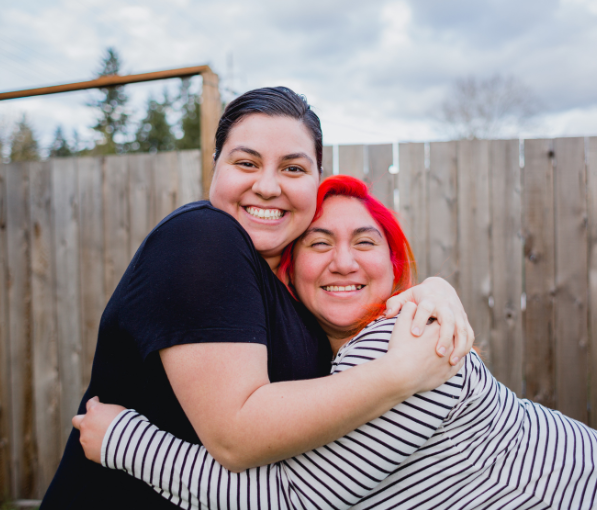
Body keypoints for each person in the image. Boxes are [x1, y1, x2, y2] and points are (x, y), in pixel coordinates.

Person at [41, 87, 472, 509]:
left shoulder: (287, 287)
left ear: (315, 181)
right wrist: (399, 374)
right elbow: (237, 436)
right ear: (215, 169)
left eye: (293, 169)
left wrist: (433, 289)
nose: (267, 186)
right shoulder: (204, 237)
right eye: (246, 162)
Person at [76, 175, 597, 509]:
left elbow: (286, 502)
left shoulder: (406, 340)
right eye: (319, 243)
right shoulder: (333, 368)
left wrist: (126, 440)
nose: (343, 262)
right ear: (290, 272)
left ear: (392, 268)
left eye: (365, 242)